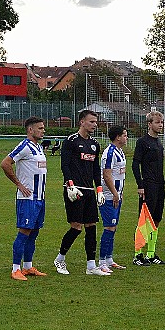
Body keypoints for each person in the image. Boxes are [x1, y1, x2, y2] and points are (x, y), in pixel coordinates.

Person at [54, 110, 108, 276]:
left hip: (89, 191)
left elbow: (95, 169)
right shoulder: (70, 141)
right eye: (91, 122)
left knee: (91, 227)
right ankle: (60, 259)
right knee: (76, 227)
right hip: (74, 190)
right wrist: (70, 185)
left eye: (95, 122)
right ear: (82, 122)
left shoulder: (94, 144)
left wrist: (99, 190)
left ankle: (91, 266)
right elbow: (65, 165)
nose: (94, 125)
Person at [0, 116, 47, 280]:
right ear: (30, 130)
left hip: (40, 198)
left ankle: (27, 266)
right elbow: (5, 163)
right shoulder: (24, 146)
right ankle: (15, 269)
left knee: (34, 233)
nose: (43, 130)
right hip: (27, 199)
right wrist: (19, 184)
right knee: (24, 232)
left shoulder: (39, 148)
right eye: (40, 128)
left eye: (43, 128)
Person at [131, 111, 165, 265]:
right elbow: (135, 164)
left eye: (162, 122)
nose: (160, 125)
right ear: (149, 124)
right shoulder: (142, 142)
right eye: (158, 122)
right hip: (148, 185)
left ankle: (151, 254)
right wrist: (140, 184)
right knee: (144, 219)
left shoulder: (159, 142)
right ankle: (138, 254)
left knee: (156, 219)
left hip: (160, 184)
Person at [98, 125, 128, 272]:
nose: (126, 138)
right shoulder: (109, 153)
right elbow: (107, 174)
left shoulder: (120, 152)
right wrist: (115, 193)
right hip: (109, 196)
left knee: (113, 227)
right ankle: (102, 261)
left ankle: (109, 259)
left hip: (117, 195)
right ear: (118, 137)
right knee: (109, 227)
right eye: (125, 135)